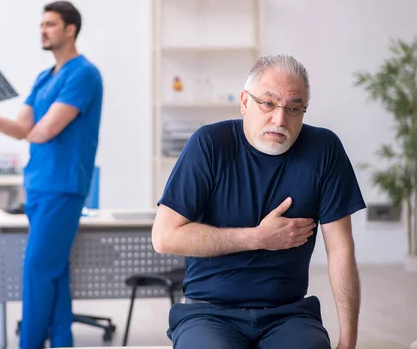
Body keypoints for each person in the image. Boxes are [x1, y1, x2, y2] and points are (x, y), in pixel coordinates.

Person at [151, 54, 365, 349]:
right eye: (268, 103)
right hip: (208, 313)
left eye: (293, 108)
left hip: (289, 315)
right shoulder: (209, 145)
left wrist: (349, 341)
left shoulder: (324, 150)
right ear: (244, 102)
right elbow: (164, 237)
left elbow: (341, 248)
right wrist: (258, 238)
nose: (280, 119)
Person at [0, 0, 103, 349]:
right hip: (38, 185)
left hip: (63, 186)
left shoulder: (83, 74)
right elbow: (22, 126)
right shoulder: (45, 77)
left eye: (50, 24)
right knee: (54, 272)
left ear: (71, 29)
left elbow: (42, 132)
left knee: (37, 271)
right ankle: (62, 341)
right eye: (41, 24)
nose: (42, 30)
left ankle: (29, 344)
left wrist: (30, 130)